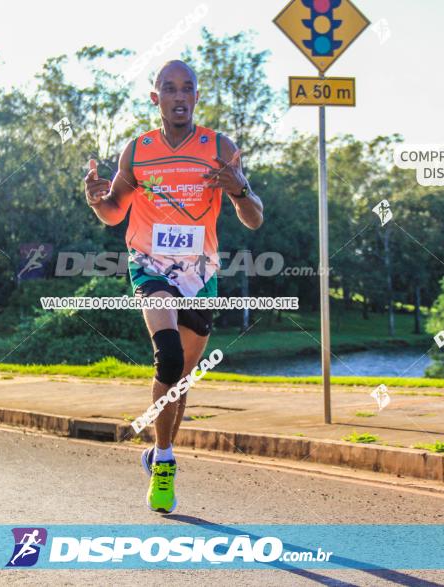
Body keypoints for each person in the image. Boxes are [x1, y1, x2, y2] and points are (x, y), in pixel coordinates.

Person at [83, 60, 264, 513]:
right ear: (155, 97)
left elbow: (255, 218)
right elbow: (113, 213)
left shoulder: (221, 147)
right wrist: (96, 200)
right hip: (150, 265)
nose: (179, 96)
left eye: (187, 89)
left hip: (199, 273)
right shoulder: (137, 151)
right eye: (169, 88)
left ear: (197, 97)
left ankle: (157, 449)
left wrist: (239, 189)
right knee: (166, 353)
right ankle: (164, 463)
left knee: (180, 379)